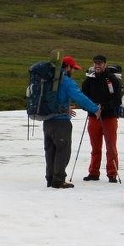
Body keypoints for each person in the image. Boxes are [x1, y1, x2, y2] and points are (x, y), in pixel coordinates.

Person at [40, 56, 101, 189]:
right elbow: (78, 96)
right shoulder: (66, 81)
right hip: (61, 122)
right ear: (67, 67)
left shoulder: (47, 80)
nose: (73, 71)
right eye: (73, 68)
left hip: (47, 120)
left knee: (50, 151)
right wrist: (95, 108)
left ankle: (50, 178)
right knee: (63, 150)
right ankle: (58, 180)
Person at [80, 54, 124, 182]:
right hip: (93, 117)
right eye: (95, 63)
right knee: (95, 147)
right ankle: (93, 172)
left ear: (105, 64)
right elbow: (83, 99)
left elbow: (117, 100)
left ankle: (112, 173)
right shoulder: (89, 80)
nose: (97, 65)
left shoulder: (113, 80)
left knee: (111, 146)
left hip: (109, 117)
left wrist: (102, 107)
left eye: (99, 63)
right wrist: (92, 108)